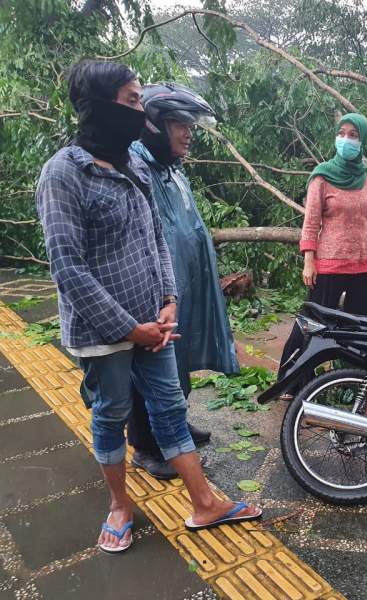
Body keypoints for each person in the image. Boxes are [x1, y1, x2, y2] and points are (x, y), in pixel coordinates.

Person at [36, 60, 261, 554]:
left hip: (154, 325)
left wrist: (169, 302)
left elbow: (155, 238)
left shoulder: (133, 165)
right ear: (98, 106)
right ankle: (120, 506)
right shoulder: (62, 175)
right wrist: (128, 329)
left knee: (169, 409)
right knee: (111, 411)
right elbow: (68, 268)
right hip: (103, 334)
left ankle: (205, 502)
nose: (141, 113)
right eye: (132, 101)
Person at [123, 83, 239, 479]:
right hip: (152, 290)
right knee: (149, 363)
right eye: (180, 124)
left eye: (191, 124)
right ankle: (145, 445)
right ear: (154, 125)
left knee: (178, 358)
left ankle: (175, 425)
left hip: (181, 284)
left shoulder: (171, 169)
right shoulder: (136, 167)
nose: (189, 132)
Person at [277, 113, 367, 384]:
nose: (346, 139)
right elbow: (311, 221)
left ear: (362, 141)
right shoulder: (322, 176)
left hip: (366, 263)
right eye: (342, 133)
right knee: (312, 322)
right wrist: (308, 261)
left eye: (353, 135)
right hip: (329, 263)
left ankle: (353, 381)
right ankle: (293, 379)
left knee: (363, 329)